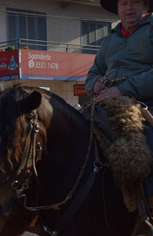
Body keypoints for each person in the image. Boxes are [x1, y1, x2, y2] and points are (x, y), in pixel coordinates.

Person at [85, 0, 153, 210]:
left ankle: (148, 205)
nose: (129, 8)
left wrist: (125, 89)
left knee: (149, 140)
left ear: (147, 6)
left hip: (146, 102)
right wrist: (95, 84)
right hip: (106, 102)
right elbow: (94, 72)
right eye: (124, 3)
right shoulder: (109, 39)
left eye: (135, 2)